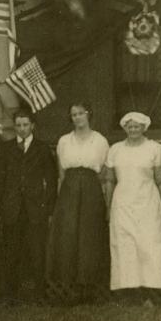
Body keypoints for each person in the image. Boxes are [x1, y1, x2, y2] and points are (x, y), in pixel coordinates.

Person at [103, 112, 161, 301]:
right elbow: (109, 181)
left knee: (150, 244)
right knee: (125, 246)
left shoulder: (155, 149)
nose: (133, 130)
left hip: (147, 202)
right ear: (125, 128)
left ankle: (155, 290)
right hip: (123, 203)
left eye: (137, 127)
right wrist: (108, 207)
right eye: (129, 127)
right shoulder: (115, 150)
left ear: (144, 128)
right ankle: (129, 291)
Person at [0, 106, 57, 303]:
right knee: (11, 253)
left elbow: (52, 180)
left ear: (33, 126)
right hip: (12, 209)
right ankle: (10, 296)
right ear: (14, 127)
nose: (22, 129)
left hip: (35, 209)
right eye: (18, 125)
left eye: (25, 125)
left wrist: (47, 208)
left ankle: (38, 295)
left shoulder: (42, 149)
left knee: (37, 252)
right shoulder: (6, 149)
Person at [49, 100, 109, 303]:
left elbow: (103, 174)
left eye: (81, 113)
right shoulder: (64, 141)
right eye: (73, 115)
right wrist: (60, 198)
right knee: (69, 236)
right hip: (69, 189)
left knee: (89, 235)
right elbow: (61, 173)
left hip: (91, 188)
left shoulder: (100, 140)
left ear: (88, 114)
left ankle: (89, 286)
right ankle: (72, 287)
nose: (77, 118)